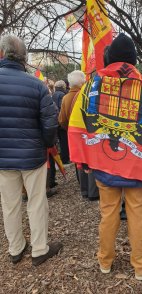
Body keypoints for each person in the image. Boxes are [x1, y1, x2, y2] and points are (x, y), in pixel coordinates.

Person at [68, 33, 142, 280]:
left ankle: (105, 261)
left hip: (104, 163)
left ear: (110, 57)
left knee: (108, 213)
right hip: (136, 165)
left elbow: (79, 123)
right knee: (136, 214)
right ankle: (141, 265)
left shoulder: (93, 83)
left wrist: (84, 159)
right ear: (133, 60)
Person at [0, 35, 62, 265]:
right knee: (36, 202)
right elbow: (50, 122)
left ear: (4, 53)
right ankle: (39, 248)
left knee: (9, 204)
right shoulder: (36, 84)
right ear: (24, 56)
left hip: (3, 157)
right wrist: (47, 144)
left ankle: (15, 248)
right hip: (32, 154)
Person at [58, 70, 99, 201]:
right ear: (82, 81)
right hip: (89, 132)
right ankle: (93, 192)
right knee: (91, 160)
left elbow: (62, 120)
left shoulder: (65, 98)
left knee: (79, 160)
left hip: (73, 133)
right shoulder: (87, 94)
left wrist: (69, 129)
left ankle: (84, 190)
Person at [53, 80, 70, 164]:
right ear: (63, 86)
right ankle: (65, 158)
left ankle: (61, 157)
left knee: (60, 139)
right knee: (64, 140)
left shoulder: (53, 94)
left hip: (55, 121)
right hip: (61, 121)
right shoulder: (63, 95)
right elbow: (62, 109)